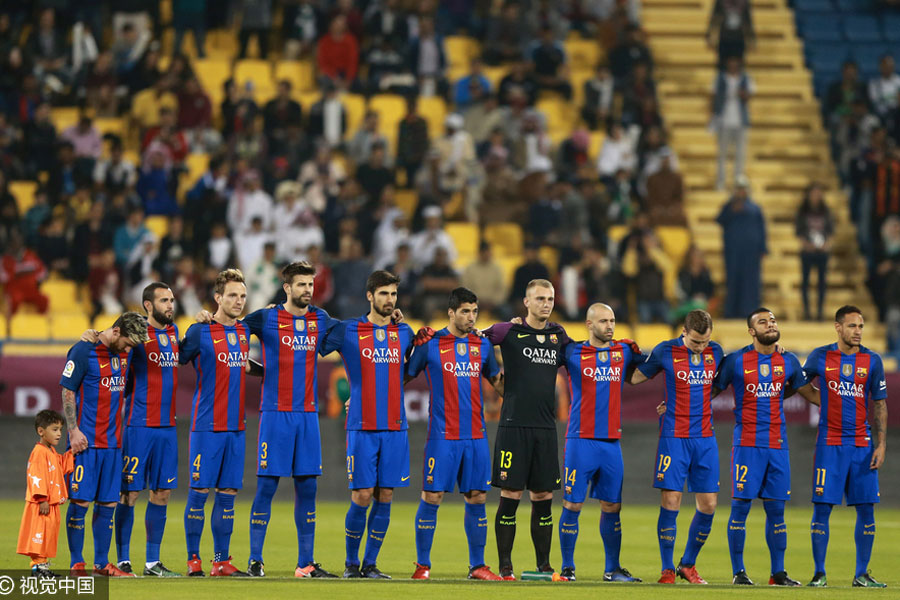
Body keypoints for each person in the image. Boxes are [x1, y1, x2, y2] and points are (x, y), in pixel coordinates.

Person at [240, 262, 340, 578]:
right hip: (275, 414)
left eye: (310, 285)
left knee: (307, 488)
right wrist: (252, 365)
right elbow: (231, 329)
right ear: (287, 288)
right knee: (267, 486)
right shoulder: (266, 317)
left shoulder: (320, 319)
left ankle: (305, 563)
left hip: (308, 415)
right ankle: (256, 560)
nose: (307, 290)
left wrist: (392, 320)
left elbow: (353, 333)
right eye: (301, 285)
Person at [322, 270, 415, 579]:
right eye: (384, 294)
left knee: (385, 495)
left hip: (395, 427)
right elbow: (313, 340)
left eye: (393, 294)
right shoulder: (348, 330)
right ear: (369, 296)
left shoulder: (404, 332)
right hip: (362, 426)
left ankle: (371, 564)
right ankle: (351, 564)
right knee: (362, 494)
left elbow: (412, 368)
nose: (390, 300)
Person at [406, 287, 504, 581]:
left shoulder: (482, 345)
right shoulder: (431, 343)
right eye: (465, 311)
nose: (471, 317)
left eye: (474, 311)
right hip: (442, 436)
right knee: (432, 496)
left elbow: (499, 383)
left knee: (477, 497)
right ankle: (422, 566)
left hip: (476, 435)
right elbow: (403, 375)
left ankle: (478, 566)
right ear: (451, 312)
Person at [714, 308, 814, 586]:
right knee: (740, 507)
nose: (770, 324)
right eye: (763, 322)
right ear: (751, 331)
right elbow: (710, 390)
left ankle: (778, 574)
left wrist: (842, 403)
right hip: (746, 444)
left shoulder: (789, 360)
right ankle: (739, 572)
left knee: (777, 511)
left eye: (772, 320)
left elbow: (806, 391)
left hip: (778, 446)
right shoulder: (735, 360)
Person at [483, 279, 571, 580]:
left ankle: (543, 564)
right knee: (510, 492)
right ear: (526, 302)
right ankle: (505, 565)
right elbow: (472, 342)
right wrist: (493, 376)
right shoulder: (508, 331)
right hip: (513, 425)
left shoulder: (559, 336)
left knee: (544, 496)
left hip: (545, 428)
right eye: (540, 299)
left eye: (550, 299)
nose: (546, 304)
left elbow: (580, 359)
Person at [630, 309, 725, 584]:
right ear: (684, 332)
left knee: (709, 504)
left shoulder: (716, 352)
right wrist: (625, 353)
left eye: (705, 341)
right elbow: (635, 378)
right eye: (696, 342)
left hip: (705, 438)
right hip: (674, 436)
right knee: (671, 499)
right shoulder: (665, 351)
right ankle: (667, 569)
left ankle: (688, 565)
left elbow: (717, 384)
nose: (701, 347)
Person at [798, 306, 888, 588]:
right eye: (852, 326)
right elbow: (800, 383)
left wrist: (881, 444)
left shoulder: (872, 360)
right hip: (830, 443)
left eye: (861, 326)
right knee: (823, 507)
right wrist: (821, 399)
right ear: (838, 327)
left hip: (862, 445)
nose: (858, 331)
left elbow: (880, 404)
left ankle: (861, 574)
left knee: (866, 509)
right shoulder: (820, 356)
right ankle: (819, 573)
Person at [557, 303, 644, 583]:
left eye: (613, 320)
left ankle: (612, 569)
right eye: (604, 321)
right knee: (573, 504)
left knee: (612, 506)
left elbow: (649, 371)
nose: (610, 326)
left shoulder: (625, 351)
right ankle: (568, 568)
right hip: (580, 440)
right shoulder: (571, 352)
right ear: (589, 324)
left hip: (611, 444)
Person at [61, 312, 149, 577]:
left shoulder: (127, 351)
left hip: (113, 443)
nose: (130, 349)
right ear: (117, 331)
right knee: (80, 502)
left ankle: (101, 564)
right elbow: (67, 390)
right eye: (128, 343)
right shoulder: (83, 350)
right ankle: (77, 563)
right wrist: (73, 430)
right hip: (85, 443)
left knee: (108, 504)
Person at [179, 269, 253, 577]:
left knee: (228, 495)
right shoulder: (200, 331)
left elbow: (246, 367)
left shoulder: (245, 332)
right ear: (218, 298)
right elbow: (176, 357)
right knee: (199, 492)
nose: (239, 301)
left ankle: (221, 561)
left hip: (236, 428)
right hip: (207, 427)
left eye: (243, 296)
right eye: (233, 295)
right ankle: (193, 558)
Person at [110, 283, 181, 576]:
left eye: (172, 300)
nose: (170, 305)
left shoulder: (176, 334)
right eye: (164, 300)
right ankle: (124, 560)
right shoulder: (136, 337)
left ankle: (152, 562)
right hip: (139, 426)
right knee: (129, 493)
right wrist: (90, 337)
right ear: (148, 305)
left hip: (168, 428)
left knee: (162, 492)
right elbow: (110, 342)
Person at [17, 410, 74, 579]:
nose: (58, 434)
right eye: (54, 429)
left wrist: (72, 453)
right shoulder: (39, 452)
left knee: (48, 536)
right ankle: (38, 568)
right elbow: (36, 475)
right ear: (41, 431)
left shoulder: (51, 451)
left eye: (60, 430)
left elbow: (60, 468)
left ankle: (42, 567)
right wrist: (41, 498)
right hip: (42, 504)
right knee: (39, 535)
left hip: (51, 504)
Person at [717, 177, 767, 319]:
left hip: (751, 254)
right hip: (733, 253)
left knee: (750, 284)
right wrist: (731, 210)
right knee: (733, 281)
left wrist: (762, 248)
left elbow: (762, 229)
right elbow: (720, 220)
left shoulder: (755, 208)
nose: (741, 192)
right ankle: (731, 312)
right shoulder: (729, 207)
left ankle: (750, 313)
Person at [795, 183, 834, 321]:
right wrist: (806, 245)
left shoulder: (826, 211)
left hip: (822, 253)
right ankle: (807, 312)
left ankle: (819, 312)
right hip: (807, 252)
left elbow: (830, 231)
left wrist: (826, 245)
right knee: (805, 282)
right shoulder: (802, 211)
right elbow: (798, 231)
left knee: (822, 283)